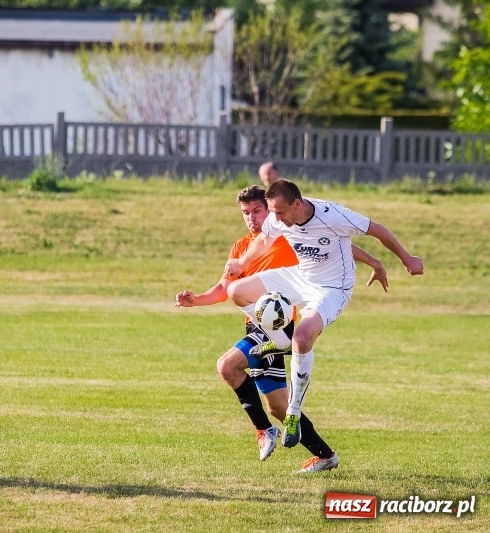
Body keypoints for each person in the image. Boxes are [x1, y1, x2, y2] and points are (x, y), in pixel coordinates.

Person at [176, 185, 388, 473]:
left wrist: (374, 262)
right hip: (254, 324)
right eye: (245, 213)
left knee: (227, 366)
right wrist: (197, 300)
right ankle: (325, 455)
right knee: (278, 407)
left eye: (257, 211)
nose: (251, 218)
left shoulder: (287, 233)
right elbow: (224, 289)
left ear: (271, 209)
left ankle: (264, 429)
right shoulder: (241, 248)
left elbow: (336, 244)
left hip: (277, 326)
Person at [225, 179, 424, 450]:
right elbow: (263, 238)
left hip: (332, 288)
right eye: (273, 212)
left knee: (302, 338)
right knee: (237, 291)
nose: (276, 219)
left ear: (297, 204)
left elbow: (376, 229)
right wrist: (242, 262)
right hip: (300, 277)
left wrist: (406, 259)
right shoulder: (277, 217)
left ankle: (293, 413)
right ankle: (279, 340)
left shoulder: (334, 216)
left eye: (280, 212)